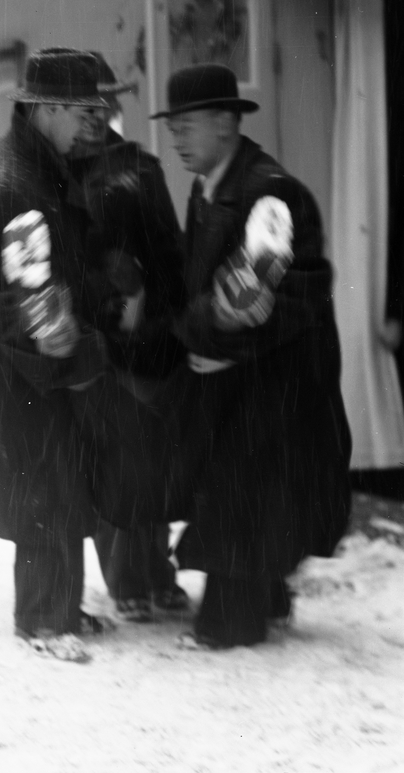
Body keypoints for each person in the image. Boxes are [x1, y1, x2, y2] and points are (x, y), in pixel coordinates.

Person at [154, 64, 352, 649]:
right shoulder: (211, 186)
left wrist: (218, 345)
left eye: (186, 125)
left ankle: (229, 625)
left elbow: (293, 297)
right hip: (244, 374)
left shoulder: (272, 194)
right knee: (244, 496)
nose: (176, 138)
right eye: (172, 128)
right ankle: (264, 602)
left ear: (225, 122)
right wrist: (204, 334)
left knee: (239, 496)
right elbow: (209, 292)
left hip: (276, 380)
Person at [0, 48, 114, 664]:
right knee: (45, 492)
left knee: (60, 488)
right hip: (28, 376)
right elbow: (14, 301)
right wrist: (67, 353)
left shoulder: (30, 168)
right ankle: (43, 619)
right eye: (81, 111)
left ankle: (60, 607)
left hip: (30, 371)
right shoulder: (14, 185)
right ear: (45, 108)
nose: (91, 124)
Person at [66, 53, 190, 623]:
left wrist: (160, 311)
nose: (96, 115)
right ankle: (126, 578)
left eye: (104, 103)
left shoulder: (140, 167)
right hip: (93, 337)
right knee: (111, 462)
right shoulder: (55, 172)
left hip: (149, 338)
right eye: (84, 106)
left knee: (154, 457)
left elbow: (170, 248)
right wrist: (103, 299)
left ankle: (159, 572)